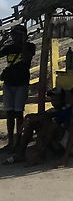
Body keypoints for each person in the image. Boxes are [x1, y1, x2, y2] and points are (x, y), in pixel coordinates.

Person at [0, 23, 36, 157]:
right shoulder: (9, 48)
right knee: (10, 113)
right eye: (13, 34)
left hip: (21, 83)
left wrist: (23, 42)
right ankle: (10, 141)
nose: (13, 37)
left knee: (18, 113)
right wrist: (3, 40)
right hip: (9, 83)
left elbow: (26, 58)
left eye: (16, 34)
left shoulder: (30, 46)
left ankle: (19, 141)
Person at [9, 86, 63, 164]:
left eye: (55, 99)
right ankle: (21, 153)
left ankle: (40, 155)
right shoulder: (52, 109)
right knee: (32, 123)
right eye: (52, 99)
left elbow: (46, 116)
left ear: (61, 99)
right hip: (51, 138)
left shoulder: (64, 109)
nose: (53, 102)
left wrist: (31, 119)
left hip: (59, 141)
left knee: (46, 123)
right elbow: (38, 115)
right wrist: (28, 119)